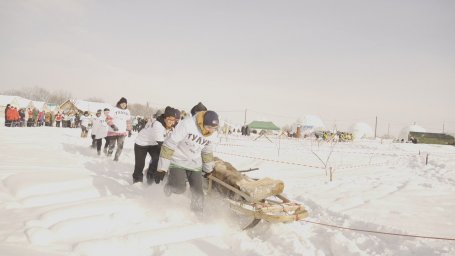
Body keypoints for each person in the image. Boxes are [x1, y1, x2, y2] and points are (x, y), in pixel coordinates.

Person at [156, 110, 219, 213]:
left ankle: (197, 213)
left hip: (195, 163)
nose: (211, 131)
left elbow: (207, 151)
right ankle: (169, 186)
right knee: (179, 188)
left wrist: (208, 169)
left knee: (198, 192)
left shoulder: (212, 133)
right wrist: (162, 168)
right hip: (178, 159)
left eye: (214, 128)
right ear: (202, 123)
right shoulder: (187, 125)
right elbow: (169, 144)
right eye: (209, 127)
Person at [132, 106, 178, 183]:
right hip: (142, 143)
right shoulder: (158, 125)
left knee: (157, 159)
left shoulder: (173, 125)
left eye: (173, 120)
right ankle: (137, 179)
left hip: (153, 143)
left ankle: (150, 175)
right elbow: (162, 145)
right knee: (140, 164)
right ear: (165, 118)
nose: (171, 122)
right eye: (169, 119)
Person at [106, 97, 132, 161]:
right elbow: (107, 119)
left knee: (120, 146)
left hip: (122, 132)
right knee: (112, 145)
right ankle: (109, 155)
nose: (124, 105)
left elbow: (128, 122)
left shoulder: (127, 111)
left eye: (125, 104)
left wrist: (130, 130)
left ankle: (116, 158)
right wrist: (113, 126)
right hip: (113, 131)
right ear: (119, 103)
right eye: (122, 103)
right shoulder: (114, 109)